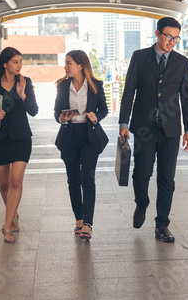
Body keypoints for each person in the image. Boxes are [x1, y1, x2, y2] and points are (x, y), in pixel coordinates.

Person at [119, 17, 188, 242]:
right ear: (157, 34)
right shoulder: (140, 57)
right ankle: (141, 203)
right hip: (144, 127)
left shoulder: (182, 62)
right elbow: (128, 91)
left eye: (176, 38)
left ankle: (162, 224)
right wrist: (124, 123)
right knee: (141, 173)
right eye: (168, 36)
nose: (172, 42)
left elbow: (187, 98)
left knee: (167, 178)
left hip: (170, 130)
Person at [0, 47, 38, 243]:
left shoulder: (25, 83)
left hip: (21, 138)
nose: (19, 65)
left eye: (20, 61)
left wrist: (22, 95)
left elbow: (34, 111)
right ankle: (13, 214)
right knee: (4, 184)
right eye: (15, 62)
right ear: (5, 64)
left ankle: (6, 227)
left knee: (15, 181)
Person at [54, 50, 108, 240]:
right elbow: (56, 113)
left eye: (69, 63)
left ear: (80, 65)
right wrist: (62, 118)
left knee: (88, 179)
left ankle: (87, 223)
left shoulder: (95, 86)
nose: (65, 67)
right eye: (65, 63)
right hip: (69, 136)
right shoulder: (62, 86)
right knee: (73, 180)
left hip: (89, 137)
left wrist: (96, 116)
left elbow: (104, 109)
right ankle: (78, 218)